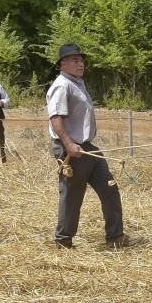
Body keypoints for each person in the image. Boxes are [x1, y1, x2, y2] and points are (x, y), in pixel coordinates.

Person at [47, 43, 126, 248]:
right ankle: (63, 241)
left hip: (88, 147)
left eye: (81, 59)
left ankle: (115, 237)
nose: (80, 63)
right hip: (71, 149)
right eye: (74, 60)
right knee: (72, 195)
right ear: (62, 64)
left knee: (109, 188)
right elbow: (56, 118)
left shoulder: (77, 82)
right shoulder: (62, 85)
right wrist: (69, 144)